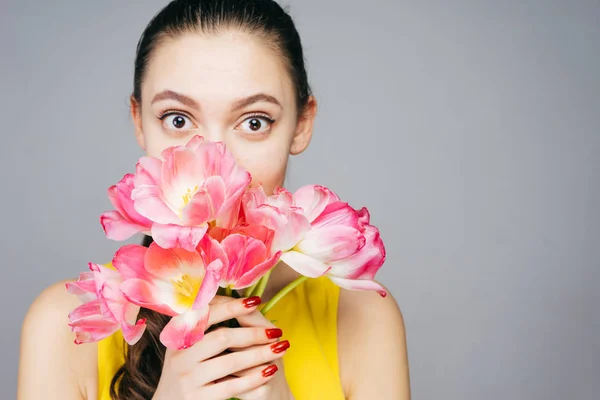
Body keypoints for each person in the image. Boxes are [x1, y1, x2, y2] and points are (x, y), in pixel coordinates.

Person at [17, 0, 410, 399]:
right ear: (138, 121)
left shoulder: (361, 318)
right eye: (178, 119)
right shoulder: (64, 324)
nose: (216, 165)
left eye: (254, 122)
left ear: (301, 125)